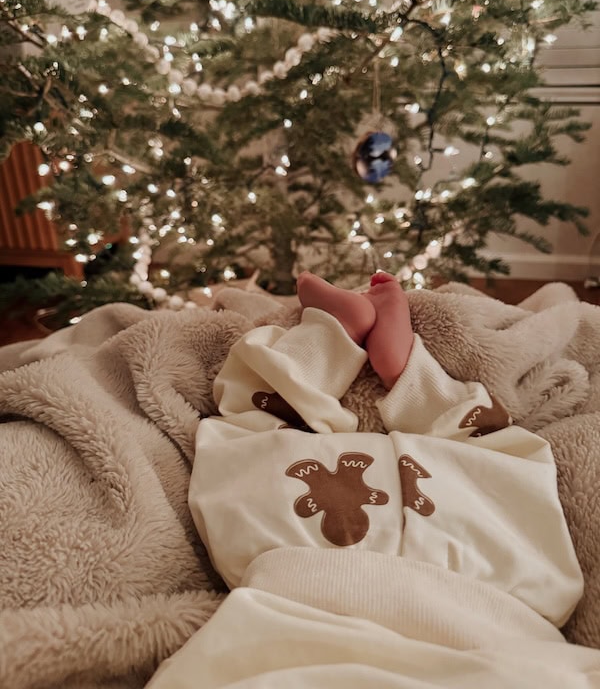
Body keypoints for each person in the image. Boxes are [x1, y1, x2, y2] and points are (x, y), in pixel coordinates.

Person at [148, 271, 592, 689]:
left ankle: (340, 340)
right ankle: (404, 374)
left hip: (300, 585)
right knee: (497, 465)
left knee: (248, 442)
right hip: (502, 604)